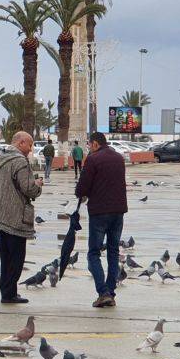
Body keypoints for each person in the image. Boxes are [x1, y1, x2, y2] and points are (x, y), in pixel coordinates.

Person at [0, 131, 42, 304]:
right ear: (21, 142)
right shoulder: (19, 161)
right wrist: (37, 185)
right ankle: (9, 294)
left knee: (5, 257)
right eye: (29, 145)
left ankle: (7, 292)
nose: (30, 150)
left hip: (0, 214)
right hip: (15, 216)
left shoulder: (2, 157)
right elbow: (28, 189)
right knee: (16, 258)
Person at [75, 131, 128, 308]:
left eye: (89, 144)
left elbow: (82, 186)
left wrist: (81, 194)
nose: (89, 148)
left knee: (94, 253)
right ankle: (111, 293)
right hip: (118, 212)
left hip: (99, 212)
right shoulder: (119, 158)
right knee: (113, 252)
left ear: (95, 144)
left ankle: (103, 292)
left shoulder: (93, 159)